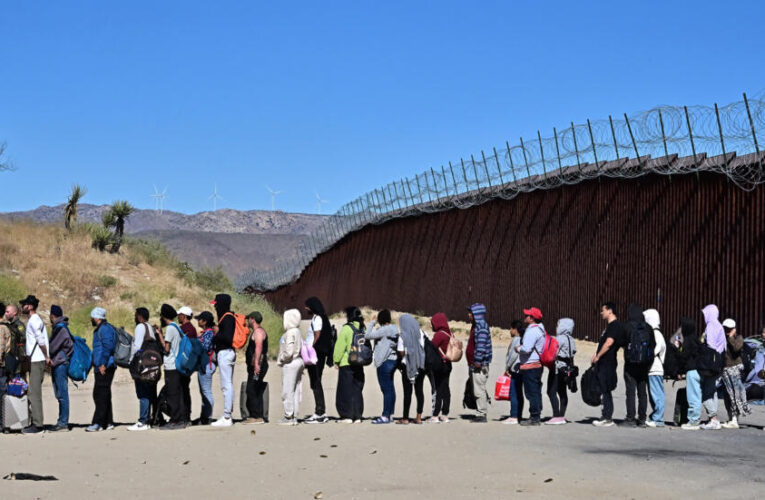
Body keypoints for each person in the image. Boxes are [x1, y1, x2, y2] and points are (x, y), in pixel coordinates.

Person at [619, 303, 655, 428]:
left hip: (630, 364)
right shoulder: (648, 328)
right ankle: (642, 419)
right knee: (642, 392)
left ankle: (630, 418)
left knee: (630, 392)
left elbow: (622, 342)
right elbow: (653, 345)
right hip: (644, 365)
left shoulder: (627, 326)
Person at [19, 295, 50, 434]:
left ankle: (38, 425)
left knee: (34, 393)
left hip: (37, 360)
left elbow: (41, 340)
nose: (22, 307)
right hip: (36, 360)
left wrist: (46, 356)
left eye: (24, 304)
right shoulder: (34, 320)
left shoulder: (34, 320)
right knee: (33, 392)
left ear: (30, 306)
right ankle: (36, 422)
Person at [591, 302, 624, 427]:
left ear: (610, 311)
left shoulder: (614, 326)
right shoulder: (609, 326)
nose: (601, 313)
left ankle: (607, 417)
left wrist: (599, 356)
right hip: (603, 362)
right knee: (603, 388)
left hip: (608, 362)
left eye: (603, 310)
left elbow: (609, 342)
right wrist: (595, 354)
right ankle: (605, 415)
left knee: (605, 389)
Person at [365, 309, 398, 424]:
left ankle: (385, 415)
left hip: (384, 362)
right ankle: (389, 414)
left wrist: (372, 322)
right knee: (390, 389)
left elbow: (367, 335)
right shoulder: (394, 328)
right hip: (393, 361)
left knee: (386, 389)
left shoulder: (384, 330)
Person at [86, 307, 117, 432]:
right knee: (104, 394)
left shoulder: (105, 329)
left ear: (98, 318)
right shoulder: (102, 329)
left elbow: (108, 347)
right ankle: (108, 421)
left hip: (105, 366)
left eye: (92, 317)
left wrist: (103, 364)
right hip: (102, 365)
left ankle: (97, 422)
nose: (91, 319)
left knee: (99, 394)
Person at [157, 304, 187, 431]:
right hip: (178, 364)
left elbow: (167, 348)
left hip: (171, 365)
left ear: (163, 316)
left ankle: (175, 420)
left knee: (172, 394)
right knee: (177, 393)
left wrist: (159, 335)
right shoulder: (176, 327)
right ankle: (180, 418)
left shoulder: (170, 328)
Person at [333, 306, 365, 423]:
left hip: (347, 363)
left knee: (345, 390)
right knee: (357, 390)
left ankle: (347, 415)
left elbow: (340, 347)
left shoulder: (347, 329)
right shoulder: (362, 328)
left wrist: (336, 360)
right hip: (359, 363)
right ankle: (357, 415)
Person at [303, 297, 333, 424]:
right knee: (316, 381)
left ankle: (320, 412)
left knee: (316, 382)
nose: (306, 308)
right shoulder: (320, 317)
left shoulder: (318, 318)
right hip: (317, 353)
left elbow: (317, 335)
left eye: (308, 306)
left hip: (316, 354)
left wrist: (311, 351)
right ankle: (320, 411)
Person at [128, 307, 157, 431]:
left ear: (139, 316)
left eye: (136, 315)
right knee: (150, 392)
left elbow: (137, 346)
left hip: (142, 364)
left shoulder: (140, 327)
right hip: (152, 364)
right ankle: (150, 419)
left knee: (142, 392)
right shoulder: (150, 327)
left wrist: (130, 360)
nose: (135, 317)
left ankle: (142, 421)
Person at [719, 318, 751, 429]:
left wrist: (731, 337)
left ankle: (735, 419)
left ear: (733, 329)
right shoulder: (722, 337)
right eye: (725, 329)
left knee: (735, 394)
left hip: (734, 369)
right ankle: (730, 417)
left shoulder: (739, 338)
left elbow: (736, 348)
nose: (726, 331)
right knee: (727, 395)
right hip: (725, 369)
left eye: (728, 329)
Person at [516, 307, 545, 426]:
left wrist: (518, 348)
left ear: (532, 319)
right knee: (535, 391)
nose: (525, 316)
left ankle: (534, 417)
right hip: (536, 365)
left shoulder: (532, 331)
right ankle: (536, 414)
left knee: (531, 392)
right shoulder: (540, 330)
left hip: (531, 366)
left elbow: (527, 349)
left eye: (528, 315)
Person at [699, 304, 725, 431]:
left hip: (710, 364)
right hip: (718, 363)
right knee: (712, 391)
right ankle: (713, 419)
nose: (704, 316)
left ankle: (713, 418)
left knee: (706, 393)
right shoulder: (719, 325)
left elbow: (710, 344)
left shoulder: (711, 325)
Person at [211, 293, 236, 427]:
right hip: (227, 353)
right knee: (228, 384)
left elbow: (227, 338)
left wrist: (216, 333)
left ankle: (227, 417)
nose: (215, 308)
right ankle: (227, 414)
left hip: (225, 353)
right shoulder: (227, 317)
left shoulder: (227, 318)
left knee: (226, 385)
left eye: (216, 305)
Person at [397, 314, 426, 425]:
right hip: (420, 365)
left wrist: (407, 351)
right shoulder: (422, 333)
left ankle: (405, 418)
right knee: (419, 391)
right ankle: (419, 417)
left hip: (407, 365)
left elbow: (402, 352)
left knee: (407, 392)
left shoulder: (402, 336)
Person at [48, 305, 73, 432]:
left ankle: (63, 423)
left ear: (52, 316)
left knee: (62, 394)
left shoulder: (60, 329)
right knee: (60, 394)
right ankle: (61, 421)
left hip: (60, 364)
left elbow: (52, 348)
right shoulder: (61, 327)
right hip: (59, 363)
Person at [277, 309, 304, 425]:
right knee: (296, 390)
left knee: (287, 391)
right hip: (298, 361)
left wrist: (281, 358)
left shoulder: (290, 333)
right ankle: (294, 415)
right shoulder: (297, 331)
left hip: (291, 363)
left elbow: (289, 351)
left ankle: (288, 416)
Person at [547, 317, 576, 425]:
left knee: (551, 391)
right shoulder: (571, 339)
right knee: (562, 392)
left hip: (557, 368)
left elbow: (553, 352)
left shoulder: (559, 339)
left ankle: (556, 415)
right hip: (567, 369)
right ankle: (562, 415)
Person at [466, 303, 492, 423]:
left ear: (476, 314)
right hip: (474, 364)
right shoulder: (476, 326)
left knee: (479, 389)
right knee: (476, 388)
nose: (468, 315)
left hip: (479, 365)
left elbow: (480, 346)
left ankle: (482, 414)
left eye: (471, 313)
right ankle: (479, 411)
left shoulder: (481, 327)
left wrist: (477, 361)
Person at [243, 311, 268, 424]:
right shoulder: (258, 331)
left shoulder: (258, 332)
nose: (248, 321)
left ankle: (256, 416)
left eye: (249, 319)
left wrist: (257, 364)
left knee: (251, 389)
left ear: (252, 319)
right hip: (256, 366)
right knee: (255, 389)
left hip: (258, 366)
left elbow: (259, 347)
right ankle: (258, 415)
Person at [429, 312, 453, 423]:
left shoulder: (439, 335)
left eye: (432, 323)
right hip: (448, 364)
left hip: (440, 365)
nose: (432, 325)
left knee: (438, 389)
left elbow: (432, 347)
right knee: (446, 388)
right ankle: (445, 414)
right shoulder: (450, 333)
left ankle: (435, 415)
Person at [680, 317, 703, 430]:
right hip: (699, 370)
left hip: (691, 371)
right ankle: (696, 418)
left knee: (693, 396)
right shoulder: (696, 339)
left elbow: (684, 357)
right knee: (698, 395)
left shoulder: (688, 340)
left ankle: (694, 420)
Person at [644, 309, 666, 428]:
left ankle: (658, 418)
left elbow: (655, 350)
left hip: (655, 368)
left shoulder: (655, 334)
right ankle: (656, 416)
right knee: (654, 394)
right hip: (653, 368)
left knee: (657, 394)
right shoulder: (656, 332)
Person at [195, 311, 217, 425]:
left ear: (205, 322)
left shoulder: (208, 334)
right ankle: (204, 416)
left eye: (200, 319)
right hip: (206, 365)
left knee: (206, 391)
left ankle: (207, 417)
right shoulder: (207, 332)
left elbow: (205, 348)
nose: (198, 321)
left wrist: (198, 339)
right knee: (204, 391)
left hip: (207, 365)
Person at [502, 320, 525, 425]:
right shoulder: (523, 339)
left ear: (515, 330)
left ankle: (514, 416)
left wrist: (507, 367)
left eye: (511, 328)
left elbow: (513, 356)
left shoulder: (516, 339)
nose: (510, 330)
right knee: (519, 393)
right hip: (521, 369)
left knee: (514, 393)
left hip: (515, 370)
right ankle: (518, 414)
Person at [176, 306, 195, 422]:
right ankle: (186, 415)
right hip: (188, 363)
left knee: (182, 389)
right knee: (184, 389)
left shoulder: (185, 329)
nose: (178, 317)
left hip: (183, 363)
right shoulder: (190, 328)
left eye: (179, 315)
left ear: (184, 316)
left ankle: (184, 416)